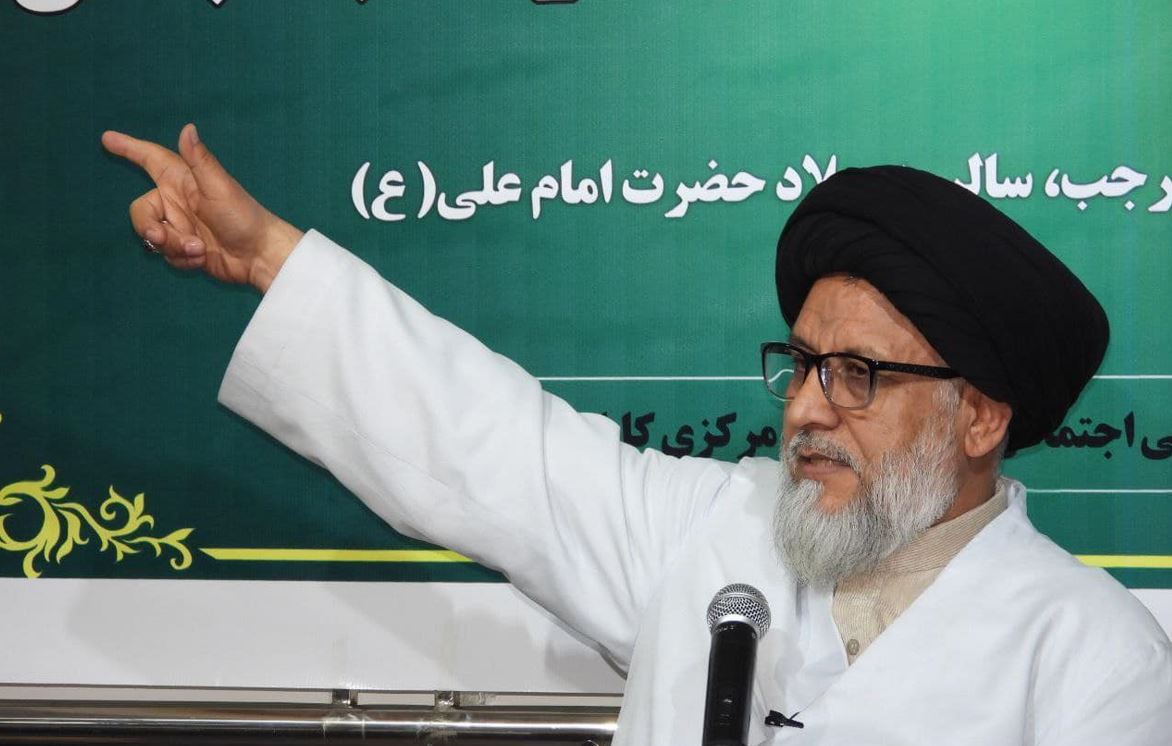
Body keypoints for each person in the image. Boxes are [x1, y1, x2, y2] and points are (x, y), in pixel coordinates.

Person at [102, 124, 1172, 745]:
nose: (805, 407)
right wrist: (267, 256)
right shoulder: (716, 527)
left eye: (857, 374)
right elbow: (486, 439)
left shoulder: (1095, 657)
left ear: (978, 416)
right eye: (801, 363)